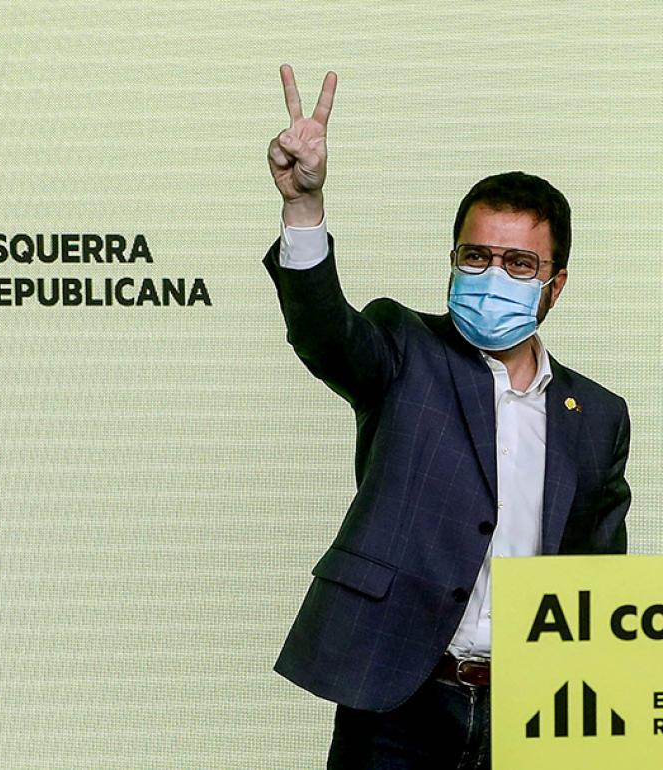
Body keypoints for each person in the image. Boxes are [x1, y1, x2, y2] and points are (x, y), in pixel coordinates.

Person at [262, 65, 631, 769]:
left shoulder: (599, 416)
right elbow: (324, 333)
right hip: (400, 703)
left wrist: (600, 737)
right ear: (453, 261)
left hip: (532, 711)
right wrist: (304, 206)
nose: (493, 275)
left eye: (519, 263)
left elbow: (598, 577)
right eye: (476, 256)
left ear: (555, 284)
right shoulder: (405, 348)